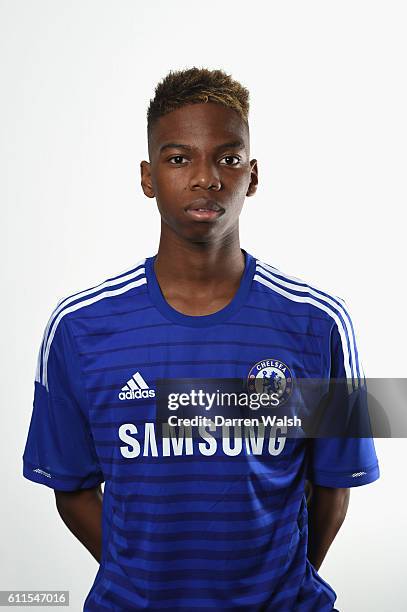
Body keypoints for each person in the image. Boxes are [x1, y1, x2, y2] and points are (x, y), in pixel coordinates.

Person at [22, 67, 379, 611]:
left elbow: (333, 489)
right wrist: (147, 583)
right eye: (179, 158)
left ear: (252, 176)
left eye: (228, 158)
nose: (206, 178)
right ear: (148, 177)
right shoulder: (79, 327)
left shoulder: (317, 322)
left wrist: (271, 588)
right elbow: (70, 487)